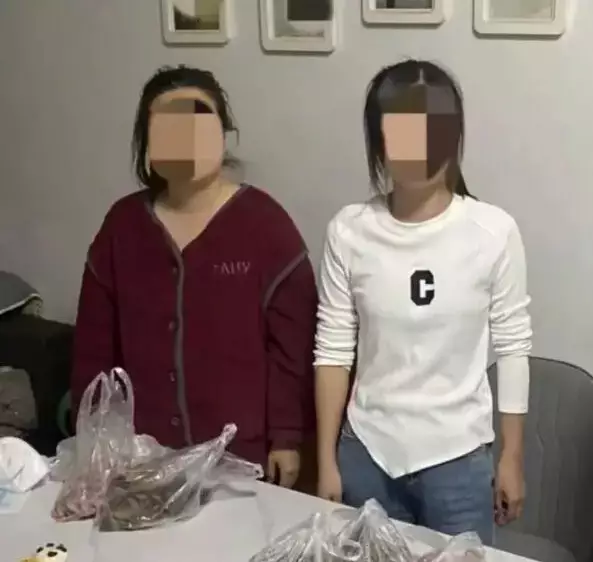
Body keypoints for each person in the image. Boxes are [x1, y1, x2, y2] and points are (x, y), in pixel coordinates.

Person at [314, 59, 532, 545]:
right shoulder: (348, 230)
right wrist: (326, 459)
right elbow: (332, 350)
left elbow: (513, 346)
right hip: (367, 455)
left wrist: (512, 457)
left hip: (458, 462)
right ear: (378, 141)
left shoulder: (493, 231)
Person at [71, 65, 318, 488]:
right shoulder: (122, 227)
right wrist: (93, 436)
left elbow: (292, 350)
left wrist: (287, 438)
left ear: (224, 134)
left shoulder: (266, 226)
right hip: (143, 456)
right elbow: (94, 348)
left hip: (243, 458)